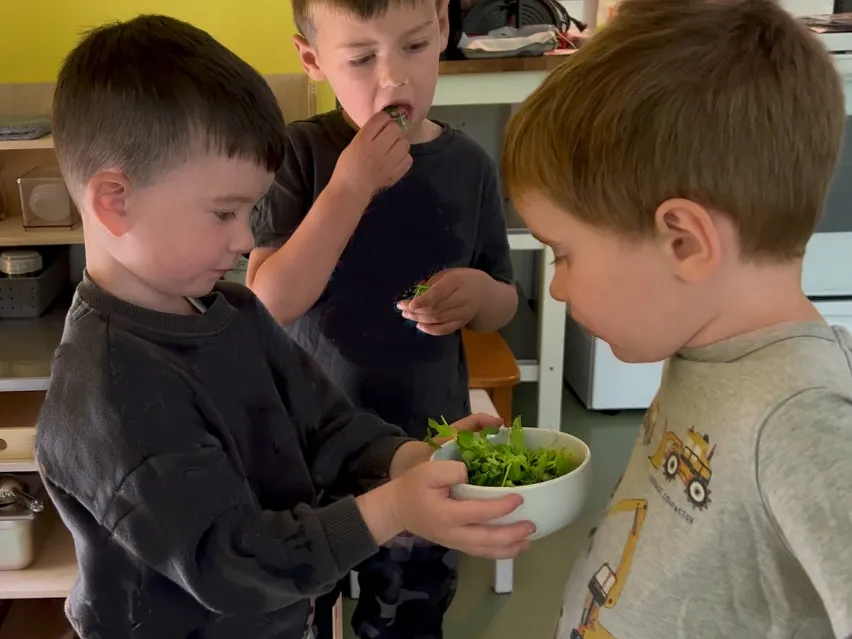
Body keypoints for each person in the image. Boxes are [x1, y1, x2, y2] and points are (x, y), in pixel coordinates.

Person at [34, 15, 534, 639]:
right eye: (224, 212)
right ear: (115, 200)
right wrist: (392, 508)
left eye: (249, 211)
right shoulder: (111, 390)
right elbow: (229, 562)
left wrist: (410, 459)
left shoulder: (233, 315)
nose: (246, 239)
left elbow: (326, 426)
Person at [501, 1, 852, 637]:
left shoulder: (802, 420)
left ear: (684, 242)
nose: (556, 288)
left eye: (565, 254)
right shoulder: (705, 347)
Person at [247, 0, 519, 637]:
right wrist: (350, 187)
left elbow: (504, 301)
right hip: (305, 451)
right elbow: (269, 302)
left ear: (445, 31)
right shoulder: (300, 154)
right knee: (300, 612)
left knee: (410, 614)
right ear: (313, 60)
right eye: (363, 57)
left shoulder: (469, 165)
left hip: (423, 442)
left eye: (416, 47)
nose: (394, 78)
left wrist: (479, 294)